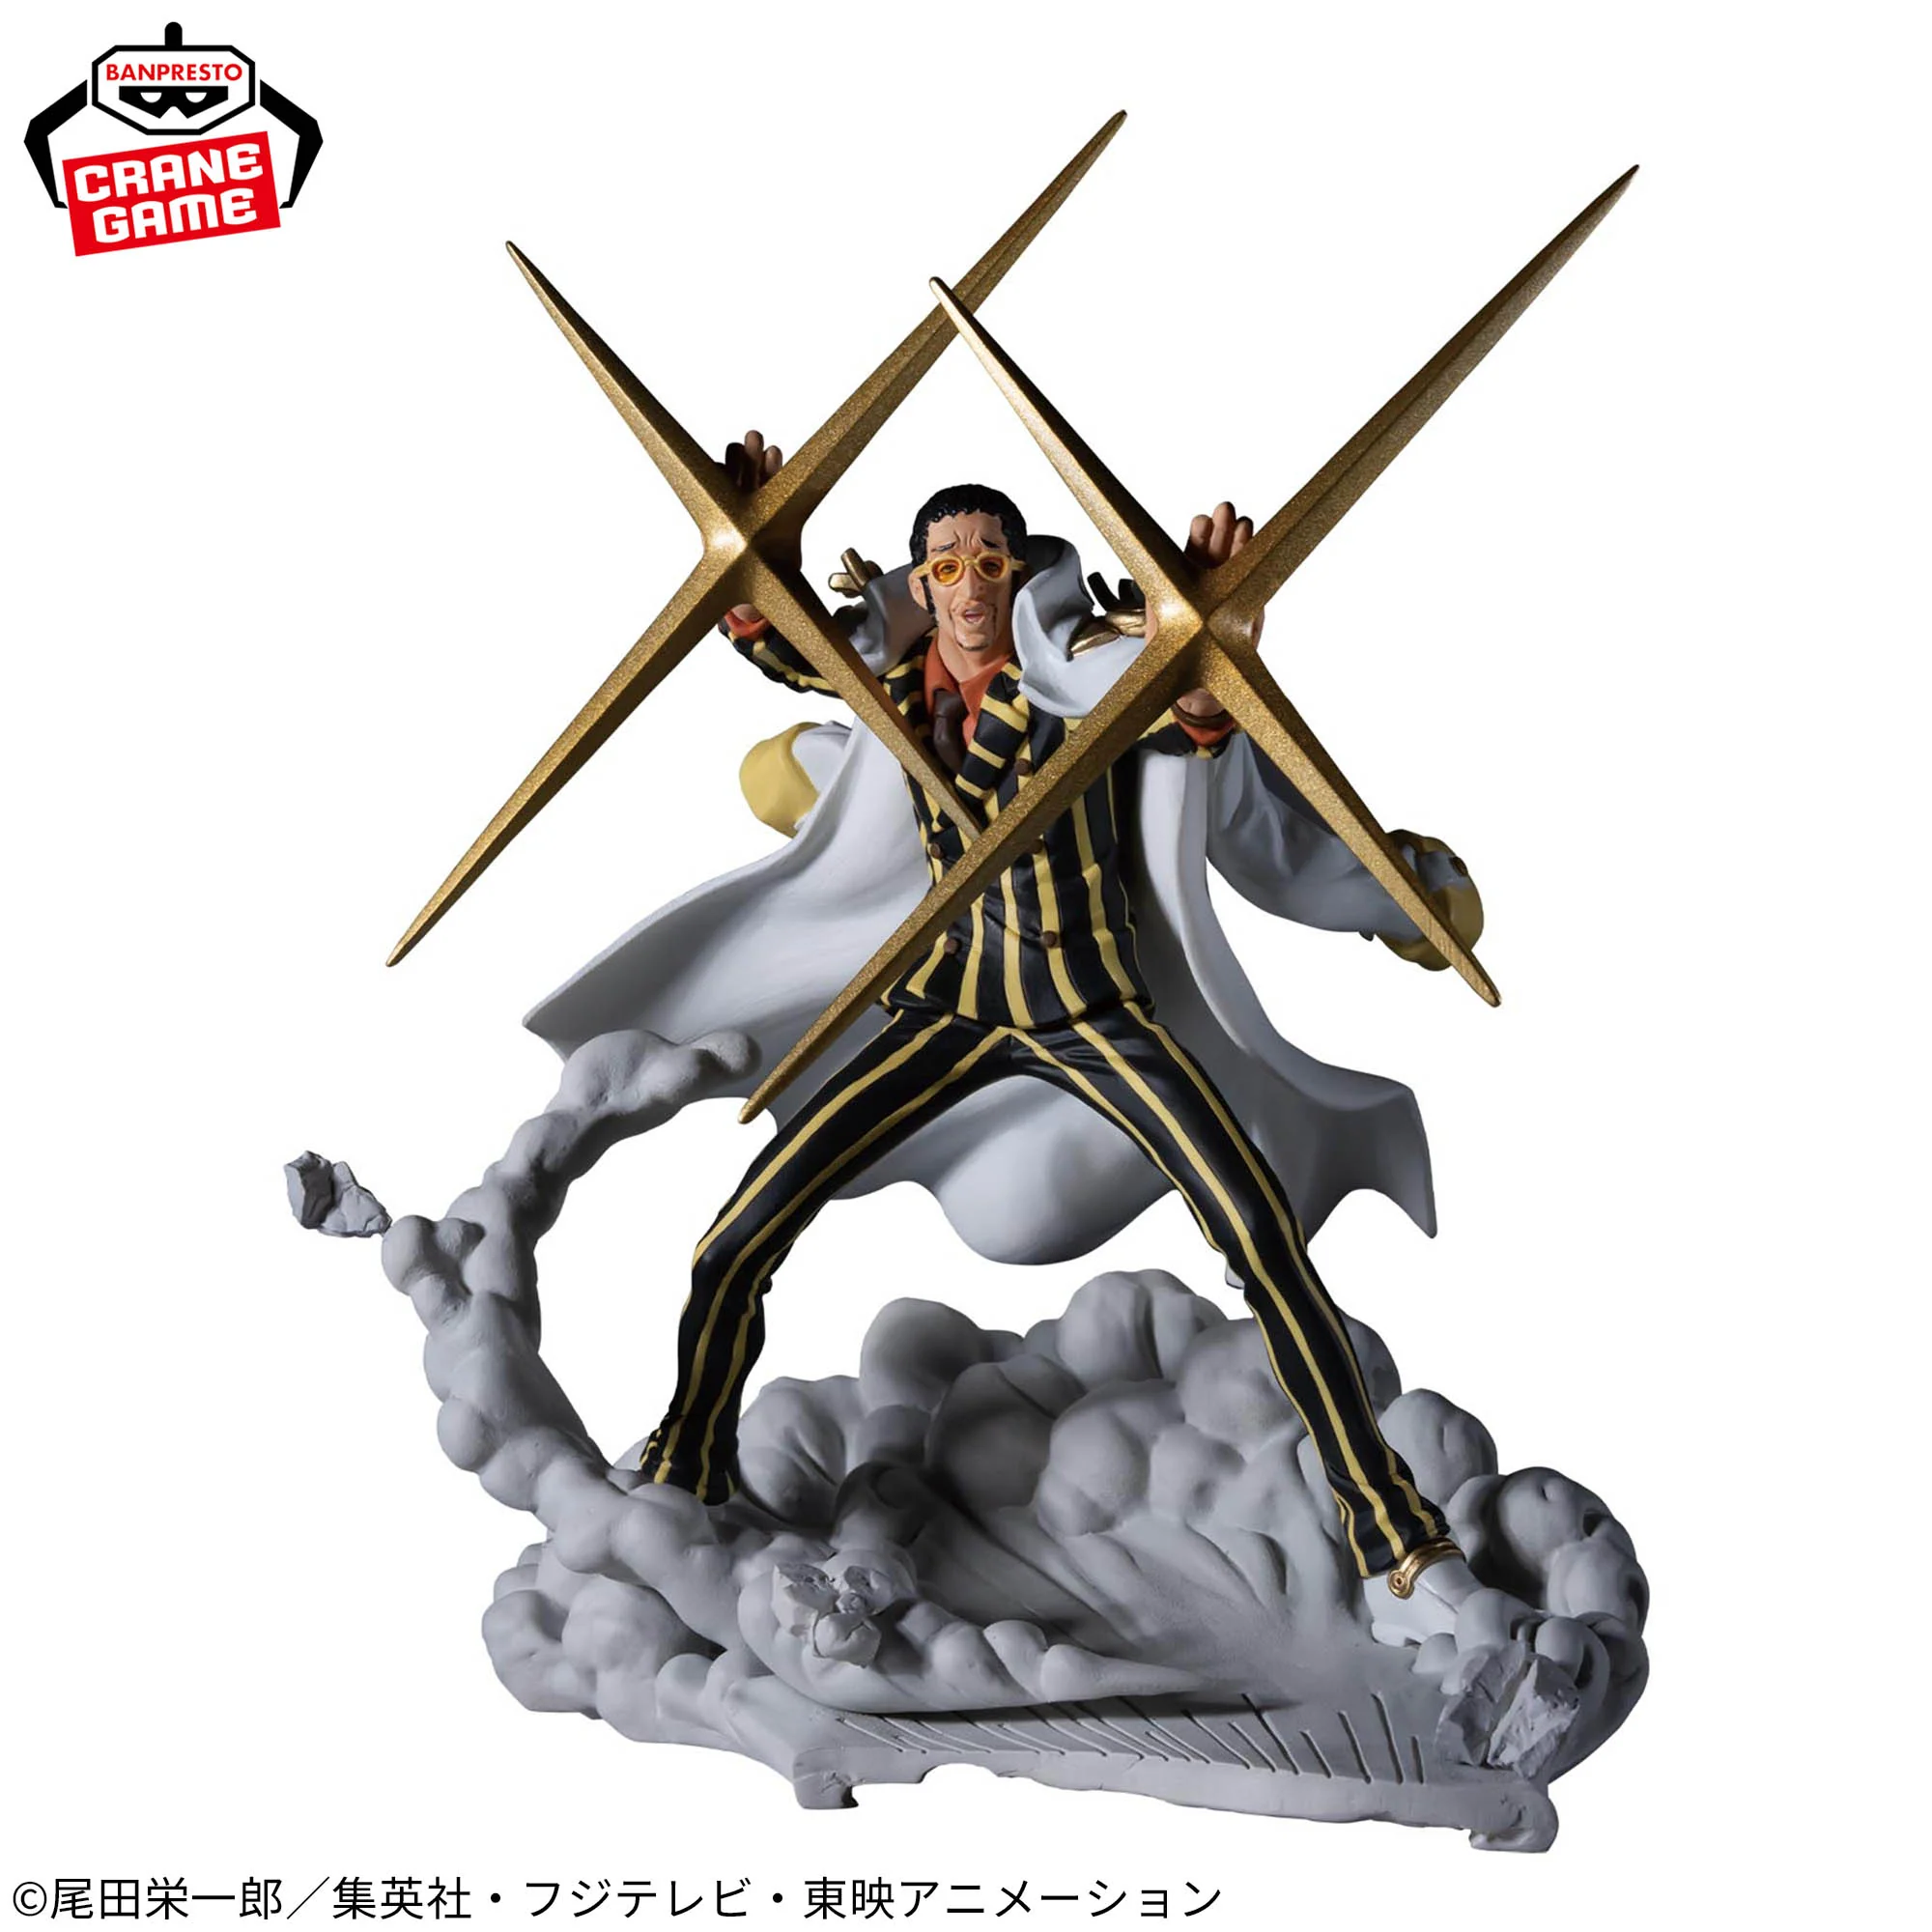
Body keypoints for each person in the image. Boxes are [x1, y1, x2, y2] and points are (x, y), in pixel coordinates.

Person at [527, 433, 1490, 1642]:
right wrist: (752, 555)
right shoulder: (897, 677)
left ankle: (1393, 1537)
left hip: (1091, 1011)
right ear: (920, 582)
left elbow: (1180, 711)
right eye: (945, 564)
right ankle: (688, 1465)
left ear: (1019, 570)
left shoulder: (1078, 672)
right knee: (733, 1242)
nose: (970, 584)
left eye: (990, 559)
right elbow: (789, 646)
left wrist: (1201, 659)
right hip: (951, 1006)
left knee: (1257, 1235)